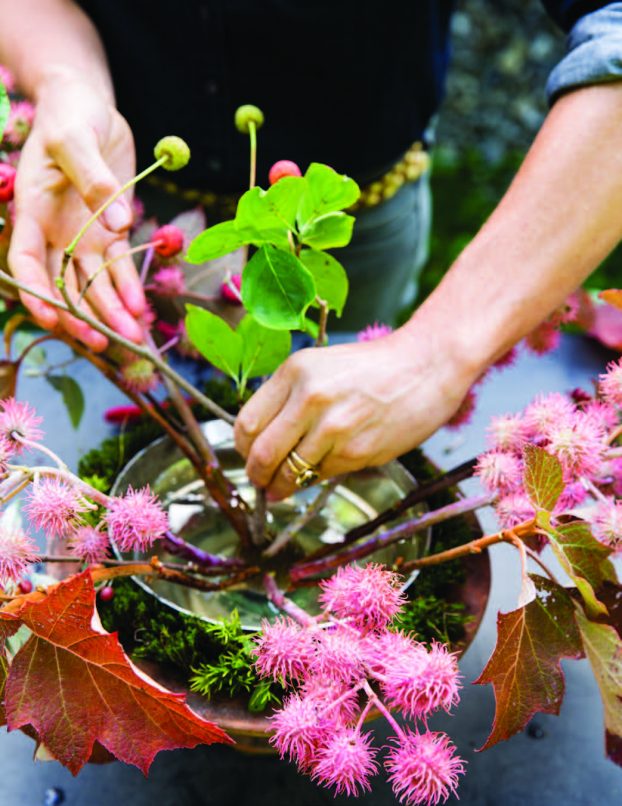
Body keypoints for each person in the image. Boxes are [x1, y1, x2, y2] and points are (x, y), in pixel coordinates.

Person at [1, 1, 621, 500]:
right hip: (117, 202)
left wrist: (437, 352)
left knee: (349, 421)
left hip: (352, 216)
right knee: (140, 420)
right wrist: (66, 80)